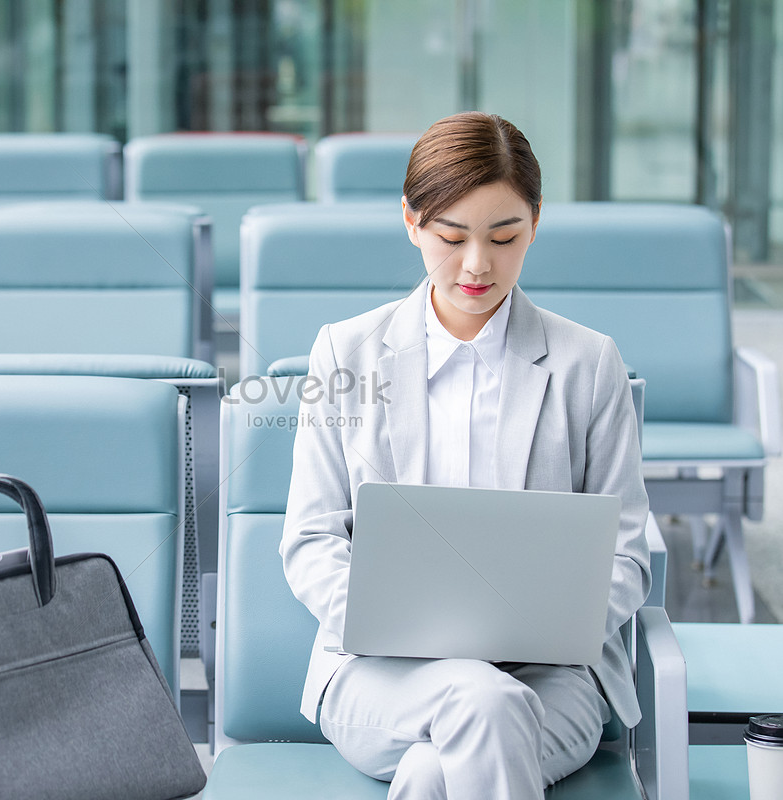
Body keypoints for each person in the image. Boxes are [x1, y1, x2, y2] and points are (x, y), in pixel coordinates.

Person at [279, 112, 651, 799]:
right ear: (412, 221)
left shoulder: (588, 365)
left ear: (535, 223)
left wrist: (551, 624)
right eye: (452, 237)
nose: (477, 264)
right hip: (381, 678)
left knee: (437, 766)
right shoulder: (345, 353)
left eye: (504, 237)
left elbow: (628, 554)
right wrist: (390, 624)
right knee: (479, 701)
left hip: (549, 680)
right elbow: (310, 541)